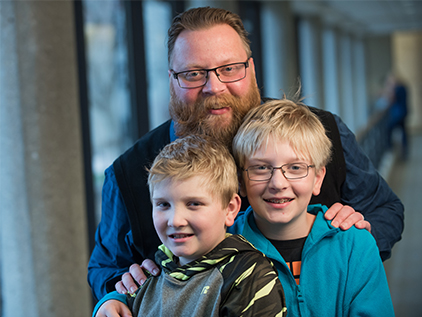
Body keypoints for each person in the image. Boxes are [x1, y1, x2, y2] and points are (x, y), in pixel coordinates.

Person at [87, 7, 404, 301]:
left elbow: (386, 209)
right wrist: (116, 289)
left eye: (229, 68)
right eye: (194, 74)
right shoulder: (127, 173)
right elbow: (104, 269)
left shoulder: (320, 131)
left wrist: (355, 249)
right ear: (172, 80)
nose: (215, 87)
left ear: (251, 69)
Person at [229, 98, 395, 316]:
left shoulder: (355, 246)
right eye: (261, 168)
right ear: (241, 181)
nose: (278, 183)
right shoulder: (223, 248)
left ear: (318, 179)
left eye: (296, 167)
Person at [92, 135, 287, 317]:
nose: (175, 220)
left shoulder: (248, 276)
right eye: (163, 204)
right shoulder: (145, 279)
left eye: (194, 204)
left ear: (230, 209)